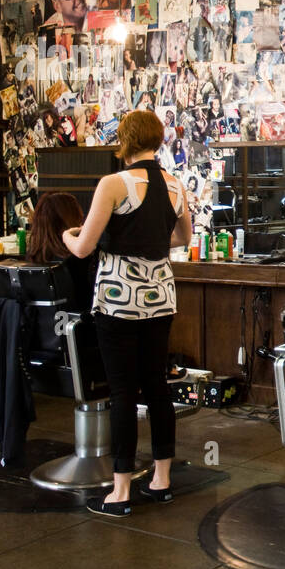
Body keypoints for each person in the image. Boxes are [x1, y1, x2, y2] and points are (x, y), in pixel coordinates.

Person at [62, 111, 193, 516]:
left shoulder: (114, 184)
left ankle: (120, 491)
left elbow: (84, 247)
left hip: (119, 300)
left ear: (125, 140)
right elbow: (183, 239)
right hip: (159, 297)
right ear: (158, 139)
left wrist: (67, 235)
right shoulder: (175, 186)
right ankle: (161, 480)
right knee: (155, 386)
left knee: (122, 390)